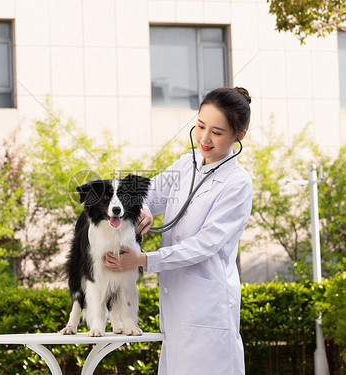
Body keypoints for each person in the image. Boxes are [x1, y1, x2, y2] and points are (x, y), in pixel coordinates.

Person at [105, 87, 253, 374]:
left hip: (207, 310)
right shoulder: (187, 164)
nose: (204, 138)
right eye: (200, 126)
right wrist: (142, 209)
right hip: (176, 307)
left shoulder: (237, 183)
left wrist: (145, 260)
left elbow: (204, 245)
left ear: (240, 136)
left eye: (217, 132)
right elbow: (145, 193)